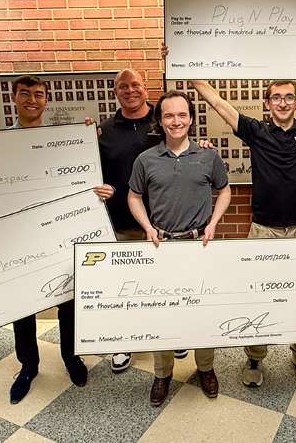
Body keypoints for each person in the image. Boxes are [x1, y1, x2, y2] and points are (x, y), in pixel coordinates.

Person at [191, 74, 296, 387]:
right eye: (276, 98)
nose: (283, 103)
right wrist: (183, 65)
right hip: (263, 233)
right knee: (259, 299)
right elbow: (215, 101)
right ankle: (255, 356)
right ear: (267, 104)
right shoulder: (255, 131)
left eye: (289, 98)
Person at [127, 90, 231, 406]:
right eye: (169, 115)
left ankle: (205, 368)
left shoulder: (207, 156)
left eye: (182, 115)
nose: (176, 121)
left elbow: (224, 191)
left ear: (191, 119)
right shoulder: (146, 160)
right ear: (160, 120)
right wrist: (147, 227)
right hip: (163, 248)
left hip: (199, 245)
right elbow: (133, 197)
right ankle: (163, 374)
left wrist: (213, 224)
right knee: (164, 314)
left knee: (203, 310)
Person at [6, 75, 99, 404]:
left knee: (69, 302)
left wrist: (87, 142)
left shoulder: (62, 139)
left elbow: (82, 180)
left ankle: (71, 357)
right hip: (19, 239)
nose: (32, 100)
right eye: (25, 94)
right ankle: (28, 366)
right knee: (22, 306)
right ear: (14, 98)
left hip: (60, 234)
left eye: (39, 95)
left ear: (46, 100)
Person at [94, 68, 188, 373]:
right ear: (115, 91)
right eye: (123, 86)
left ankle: (173, 335)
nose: (130, 90)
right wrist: (98, 184)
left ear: (145, 88)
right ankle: (124, 341)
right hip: (122, 224)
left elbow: (184, 151)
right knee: (125, 287)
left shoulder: (161, 122)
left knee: (169, 284)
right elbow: (90, 172)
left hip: (166, 223)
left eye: (135, 85)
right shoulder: (103, 131)